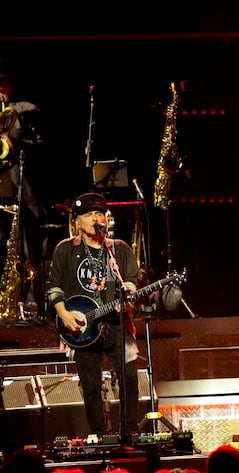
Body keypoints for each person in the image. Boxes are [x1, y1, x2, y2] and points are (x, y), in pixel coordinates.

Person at [46, 192, 141, 437]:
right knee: (91, 385)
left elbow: (130, 281)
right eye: (89, 215)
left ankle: (129, 430)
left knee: (129, 377)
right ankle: (98, 433)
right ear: (77, 221)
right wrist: (64, 314)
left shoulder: (117, 250)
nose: (96, 218)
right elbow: (54, 287)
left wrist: (127, 299)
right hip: (82, 328)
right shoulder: (65, 250)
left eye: (99, 213)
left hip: (116, 323)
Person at [0, 58, 46, 317]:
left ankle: (31, 297)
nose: (1, 89)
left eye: (4, 84)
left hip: (19, 184)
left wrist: (16, 144)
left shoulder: (24, 110)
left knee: (29, 241)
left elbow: (41, 144)